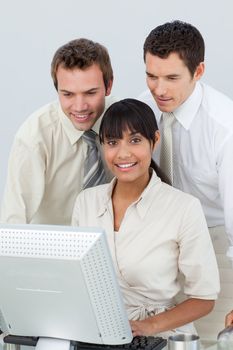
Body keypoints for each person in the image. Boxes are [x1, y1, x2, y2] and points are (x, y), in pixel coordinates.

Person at [72, 98, 219, 338]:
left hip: (162, 335)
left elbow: (204, 299)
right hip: (102, 332)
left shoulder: (184, 208)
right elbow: (78, 282)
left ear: (155, 140)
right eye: (112, 142)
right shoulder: (86, 202)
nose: (123, 153)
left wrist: (148, 326)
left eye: (135, 140)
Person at [139, 19, 233, 339]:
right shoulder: (143, 109)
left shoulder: (224, 127)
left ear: (199, 72)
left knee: (209, 341)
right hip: (157, 250)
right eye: (152, 76)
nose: (159, 90)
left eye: (172, 78)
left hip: (216, 245)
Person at [0, 38, 115, 225]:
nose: (80, 107)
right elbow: (14, 220)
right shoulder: (34, 136)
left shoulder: (125, 120)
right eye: (68, 94)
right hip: (54, 248)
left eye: (90, 93)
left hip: (117, 244)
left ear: (108, 86)